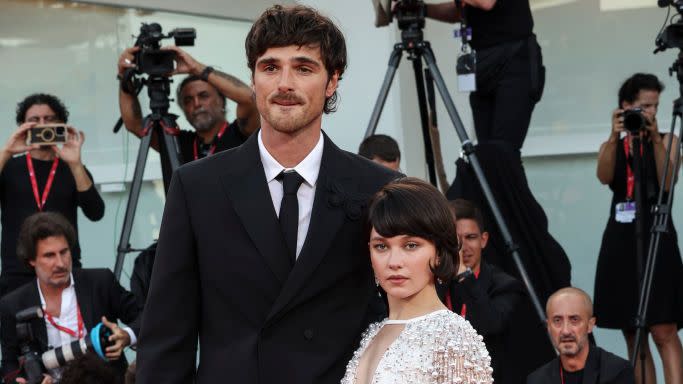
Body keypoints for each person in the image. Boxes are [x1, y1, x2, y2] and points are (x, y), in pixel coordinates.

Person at [135, 5, 399, 383]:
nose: (284, 84)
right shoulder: (198, 187)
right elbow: (165, 337)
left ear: (332, 81)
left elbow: (399, 314)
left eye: (303, 68)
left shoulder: (377, 187)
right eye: (270, 67)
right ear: (254, 78)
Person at [341, 178, 492, 383]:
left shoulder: (452, 337)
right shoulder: (373, 332)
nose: (394, 262)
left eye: (410, 245)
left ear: (439, 252)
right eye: (381, 246)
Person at [594, 73, 683, 384]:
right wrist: (613, 134)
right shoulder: (615, 144)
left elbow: (668, 181)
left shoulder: (668, 139)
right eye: (644, 107)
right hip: (622, 239)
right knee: (633, 330)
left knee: (664, 329)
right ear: (626, 106)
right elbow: (604, 177)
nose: (651, 114)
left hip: (658, 236)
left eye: (655, 106)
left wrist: (656, 137)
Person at [0, 212, 140, 384]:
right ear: (31, 260)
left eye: (64, 252)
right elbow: (9, 364)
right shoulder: (12, 305)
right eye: (49, 255)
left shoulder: (100, 282)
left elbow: (146, 317)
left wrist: (127, 335)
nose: (60, 263)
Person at [0, 94, 104, 297]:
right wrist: (7, 152)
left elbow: (96, 212)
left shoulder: (71, 168)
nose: (41, 125)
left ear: (61, 125)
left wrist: (75, 163)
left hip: (63, 269)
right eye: (34, 121)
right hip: (17, 272)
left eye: (49, 119)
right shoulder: (10, 167)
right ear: (22, 127)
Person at [426, 0, 544, 151]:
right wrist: (422, 10)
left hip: (514, 61)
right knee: (486, 153)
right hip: (482, 64)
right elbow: (461, 10)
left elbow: (486, 2)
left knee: (504, 153)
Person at [117, 45, 260, 164]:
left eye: (203, 96)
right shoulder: (179, 144)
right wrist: (124, 77)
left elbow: (250, 98)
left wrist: (196, 68)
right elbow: (134, 124)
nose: (196, 104)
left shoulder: (242, 134)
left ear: (221, 100)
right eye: (188, 100)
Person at [436, 198, 525, 383]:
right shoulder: (434, 282)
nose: (463, 247)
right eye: (456, 239)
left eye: (470, 237)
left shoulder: (505, 285)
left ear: (483, 240)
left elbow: (490, 325)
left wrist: (464, 276)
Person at [527, 287, 635, 384]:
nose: (565, 331)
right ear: (549, 327)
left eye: (574, 320)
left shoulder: (617, 371)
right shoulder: (537, 380)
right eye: (557, 320)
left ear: (590, 325)